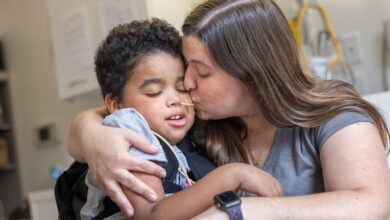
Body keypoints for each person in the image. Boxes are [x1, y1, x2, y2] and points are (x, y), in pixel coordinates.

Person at [68, 0, 390, 219]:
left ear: (249, 73)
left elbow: (374, 205)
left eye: (200, 72)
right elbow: (122, 113)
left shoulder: (332, 117)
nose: (187, 87)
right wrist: (90, 133)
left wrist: (242, 211)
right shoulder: (204, 124)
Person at [67, 18, 281, 220]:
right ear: (116, 105)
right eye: (154, 91)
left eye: (181, 88)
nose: (175, 100)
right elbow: (150, 215)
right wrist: (232, 176)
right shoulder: (128, 131)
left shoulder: (190, 134)